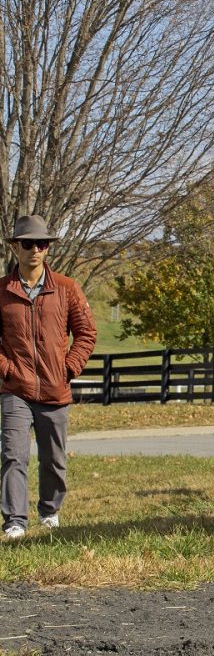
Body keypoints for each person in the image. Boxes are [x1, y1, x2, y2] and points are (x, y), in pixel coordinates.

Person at [1, 215, 97, 540]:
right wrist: (8, 370)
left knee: (53, 459)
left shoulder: (67, 288)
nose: (35, 250)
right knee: (13, 454)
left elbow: (86, 333)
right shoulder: (1, 291)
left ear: (47, 248)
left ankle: (49, 511)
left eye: (41, 244)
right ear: (15, 247)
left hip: (56, 389)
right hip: (15, 389)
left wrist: (68, 368)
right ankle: (15, 520)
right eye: (27, 243)